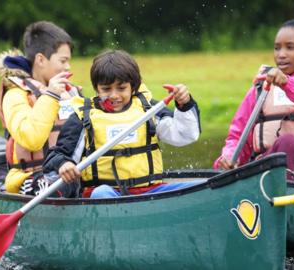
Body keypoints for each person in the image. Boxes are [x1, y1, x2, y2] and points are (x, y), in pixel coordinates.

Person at [43, 50, 203, 198]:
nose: (114, 95)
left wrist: (185, 104)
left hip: (150, 192)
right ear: (96, 89)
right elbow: (56, 157)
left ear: (133, 87)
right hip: (105, 194)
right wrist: (64, 164)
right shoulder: (82, 118)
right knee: (101, 193)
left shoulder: (149, 110)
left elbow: (184, 135)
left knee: (201, 188)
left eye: (121, 88)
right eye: (106, 89)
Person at [214, 19, 294, 183]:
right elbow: (237, 136)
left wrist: (287, 83)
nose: (281, 54)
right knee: (288, 142)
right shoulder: (260, 89)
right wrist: (229, 156)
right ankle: (283, 197)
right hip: (271, 167)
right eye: (277, 48)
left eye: (290, 47)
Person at [0, 21, 82, 194]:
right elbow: (31, 139)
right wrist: (51, 96)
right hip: (29, 178)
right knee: (63, 186)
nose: (68, 67)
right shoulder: (15, 95)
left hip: (71, 173)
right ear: (41, 59)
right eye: (63, 61)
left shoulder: (72, 93)